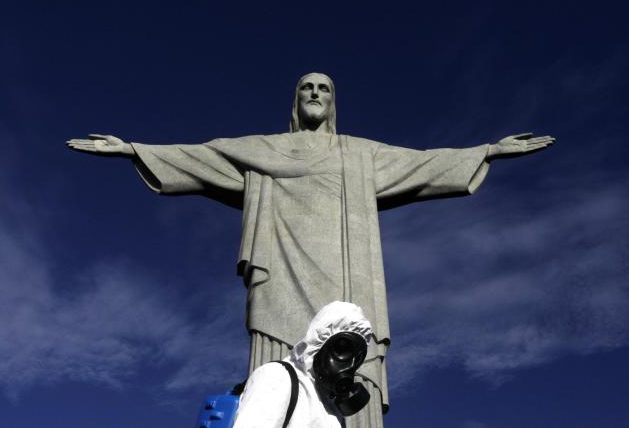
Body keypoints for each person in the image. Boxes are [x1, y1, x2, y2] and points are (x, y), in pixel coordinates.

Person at [67, 72, 555, 428]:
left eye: (324, 88)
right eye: (307, 88)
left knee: (348, 354)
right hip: (281, 273)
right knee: (275, 376)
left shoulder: (358, 154)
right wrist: (133, 149)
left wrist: (486, 151)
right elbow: (202, 156)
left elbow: (421, 165)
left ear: (334, 101)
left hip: (346, 276)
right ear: (295, 100)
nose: (316, 94)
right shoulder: (262, 149)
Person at [233, 301, 373, 428]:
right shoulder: (277, 376)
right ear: (321, 342)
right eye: (343, 349)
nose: (350, 365)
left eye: (357, 358)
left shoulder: (331, 409)